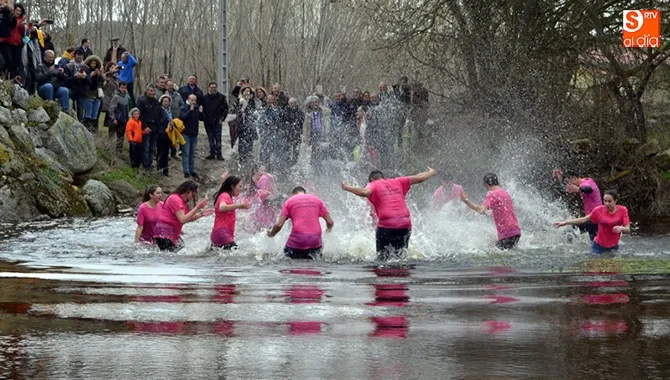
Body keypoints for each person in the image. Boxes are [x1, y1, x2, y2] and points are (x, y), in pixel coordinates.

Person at [341, 167, 436, 260]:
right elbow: (420, 178)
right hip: (405, 225)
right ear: (383, 177)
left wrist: (347, 187)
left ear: (371, 180)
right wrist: (431, 172)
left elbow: (365, 192)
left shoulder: (373, 184)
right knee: (401, 257)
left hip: (387, 226)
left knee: (382, 259)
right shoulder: (398, 181)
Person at [554, 190, 630, 254]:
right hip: (598, 245)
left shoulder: (623, 210)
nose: (607, 204)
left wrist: (621, 228)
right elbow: (584, 219)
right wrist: (565, 222)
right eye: (605, 201)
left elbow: (628, 229)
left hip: (613, 246)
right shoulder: (599, 210)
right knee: (593, 268)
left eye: (609, 201)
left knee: (612, 268)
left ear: (615, 201)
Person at [268, 186, 334, 260]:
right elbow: (330, 222)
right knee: (314, 265)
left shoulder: (289, 201)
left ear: (293, 194)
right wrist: (328, 231)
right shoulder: (317, 200)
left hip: (297, 242)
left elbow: (278, 225)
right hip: (315, 241)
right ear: (305, 193)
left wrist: (271, 234)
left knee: (286, 263)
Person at [460, 173, 522, 249]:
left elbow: (480, 210)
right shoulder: (505, 193)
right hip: (516, 231)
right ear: (497, 182)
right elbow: (495, 211)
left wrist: (466, 200)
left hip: (507, 233)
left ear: (486, 184)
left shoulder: (493, 194)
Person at [153, 180, 212, 251]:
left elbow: (186, 219)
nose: (194, 196)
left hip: (173, 234)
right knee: (173, 256)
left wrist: (201, 214)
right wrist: (197, 208)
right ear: (188, 191)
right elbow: (183, 219)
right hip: (163, 233)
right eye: (194, 193)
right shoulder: (175, 199)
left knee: (181, 250)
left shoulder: (182, 201)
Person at [552, 169, 602, 241]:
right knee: (595, 241)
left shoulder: (583, 184)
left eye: (569, 181)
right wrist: (559, 177)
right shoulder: (588, 180)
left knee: (569, 233)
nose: (569, 184)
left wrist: (578, 189)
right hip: (594, 218)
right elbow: (564, 188)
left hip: (593, 219)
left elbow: (589, 189)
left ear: (574, 178)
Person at [211, 174, 251, 249]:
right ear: (232, 187)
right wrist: (240, 206)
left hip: (219, 233)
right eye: (239, 186)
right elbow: (222, 207)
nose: (241, 189)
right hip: (222, 233)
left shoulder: (227, 196)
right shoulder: (225, 195)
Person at [201, 81, 228, 160]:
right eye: (211, 87)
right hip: (208, 121)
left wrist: (222, 118)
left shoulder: (221, 97)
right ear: (208, 88)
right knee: (210, 138)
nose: (213, 89)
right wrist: (204, 118)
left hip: (217, 121)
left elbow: (226, 109)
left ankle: (219, 154)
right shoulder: (204, 98)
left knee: (218, 138)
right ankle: (212, 153)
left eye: (214, 87)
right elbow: (202, 109)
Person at [179, 94, 202, 179]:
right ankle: (186, 171)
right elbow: (182, 117)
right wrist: (190, 111)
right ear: (188, 100)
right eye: (192, 100)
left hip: (194, 134)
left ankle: (192, 170)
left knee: (192, 153)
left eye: (195, 100)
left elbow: (201, 119)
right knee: (186, 153)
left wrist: (201, 112)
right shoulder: (183, 108)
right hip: (185, 133)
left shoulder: (197, 108)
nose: (193, 102)